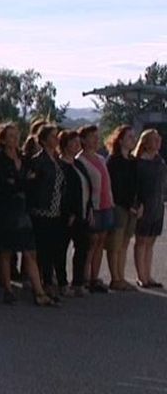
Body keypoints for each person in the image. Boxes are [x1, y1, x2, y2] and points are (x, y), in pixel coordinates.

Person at [0, 123, 54, 305]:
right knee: (6, 251)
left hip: (22, 208)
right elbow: (5, 184)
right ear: (2, 139)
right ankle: (8, 289)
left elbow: (31, 182)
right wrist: (22, 182)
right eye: (10, 136)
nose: (14, 139)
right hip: (6, 209)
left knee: (29, 250)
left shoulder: (23, 158)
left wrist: (21, 182)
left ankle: (39, 291)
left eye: (16, 135)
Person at [28, 124, 66, 301]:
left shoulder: (56, 161)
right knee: (42, 249)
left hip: (55, 210)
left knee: (52, 248)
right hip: (41, 211)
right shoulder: (38, 160)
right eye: (52, 136)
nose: (56, 139)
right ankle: (43, 283)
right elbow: (33, 185)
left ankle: (49, 281)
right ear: (43, 140)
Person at [76, 125, 115, 293]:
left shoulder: (100, 158)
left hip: (106, 205)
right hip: (92, 207)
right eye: (92, 136)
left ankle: (94, 276)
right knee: (90, 242)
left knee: (100, 241)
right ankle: (84, 277)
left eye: (97, 136)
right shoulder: (80, 161)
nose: (96, 139)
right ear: (83, 139)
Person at [58, 130, 93, 297]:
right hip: (67, 215)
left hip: (83, 212)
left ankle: (78, 282)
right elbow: (62, 192)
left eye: (78, 142)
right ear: (64, 144)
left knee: (82, 248)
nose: (76, 145)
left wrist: (90, 208)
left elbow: (87, 186)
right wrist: (69, 212)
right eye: (73, 142)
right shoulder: (60, 166)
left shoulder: (78, 164)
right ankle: (62, 283)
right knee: (61, 249)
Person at [105, 125, 140, 291]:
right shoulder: (113, 161)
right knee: (115, 245)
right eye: (129, 137)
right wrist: (128, 205)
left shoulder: (133, 161)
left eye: (134, 137)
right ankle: (115, 278)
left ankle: (122, 276)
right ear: (120, 140)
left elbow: (137, 185)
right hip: (119, 207)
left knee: (125, 244)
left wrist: (138, 204)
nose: (133, 140)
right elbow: (115, 187)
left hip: (132, 207)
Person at [132, 129, 167, 288]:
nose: (158, 142)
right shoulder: (138, 162)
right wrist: (137, 204)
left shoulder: (160, 161)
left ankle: (148, 274)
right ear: (145, 143)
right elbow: (134, 186)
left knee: (151, 241)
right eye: (154, 140)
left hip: (157, 205)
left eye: (158, 139)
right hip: (143, 206)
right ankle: (141, 276)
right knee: (142, 240)